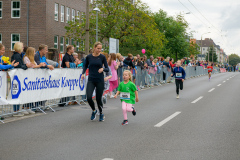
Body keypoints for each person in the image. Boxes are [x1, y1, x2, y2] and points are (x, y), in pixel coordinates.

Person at [81, 42, 109, 122]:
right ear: (94, 48)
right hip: (91, 79)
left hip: (99, 80)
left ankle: (101, 113)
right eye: (98, 48)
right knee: (89, 97)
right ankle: (94, 110)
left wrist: (103, 69)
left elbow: (107, 68)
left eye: (100, 49)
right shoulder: (89, 57)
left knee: (98, 98)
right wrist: (83, 73)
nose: (99, 50)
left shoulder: (102, 57)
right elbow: (85, 66)